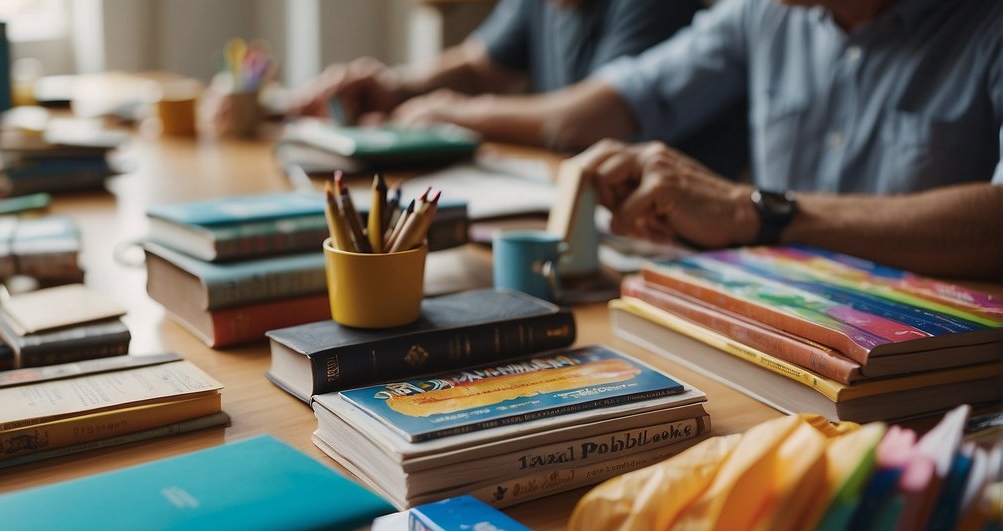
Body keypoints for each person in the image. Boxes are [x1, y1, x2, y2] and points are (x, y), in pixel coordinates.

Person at [524, 0, 1002, 279]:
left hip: (935, 366)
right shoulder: (763, 12)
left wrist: (750, 211)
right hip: (783, 320)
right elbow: (629, 96)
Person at [281, 0, 746, 176]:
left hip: (666, 238)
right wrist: (397, 85)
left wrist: (451, 112)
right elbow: (481, 64)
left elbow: (585, 122)